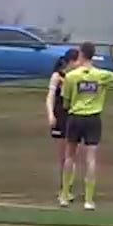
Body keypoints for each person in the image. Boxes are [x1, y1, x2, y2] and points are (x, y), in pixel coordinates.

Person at [59, 42, 113, 210]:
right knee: (90, 158)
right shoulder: (100, 75)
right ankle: (89, 200)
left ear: (81, 54)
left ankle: (65, 196)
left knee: (70, 156)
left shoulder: (71, 76)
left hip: (75, 117)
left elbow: (65, 103)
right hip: (93, 119)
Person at [45, 48, 78, 193]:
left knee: (71, 153)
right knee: (63, 156)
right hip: (61, 116)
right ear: (71, 61)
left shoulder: (77, 77)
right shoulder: (57, 76)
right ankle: (66, 186)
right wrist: (50, 115)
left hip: (74, 116)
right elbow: (50, 97)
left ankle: (67, 186)